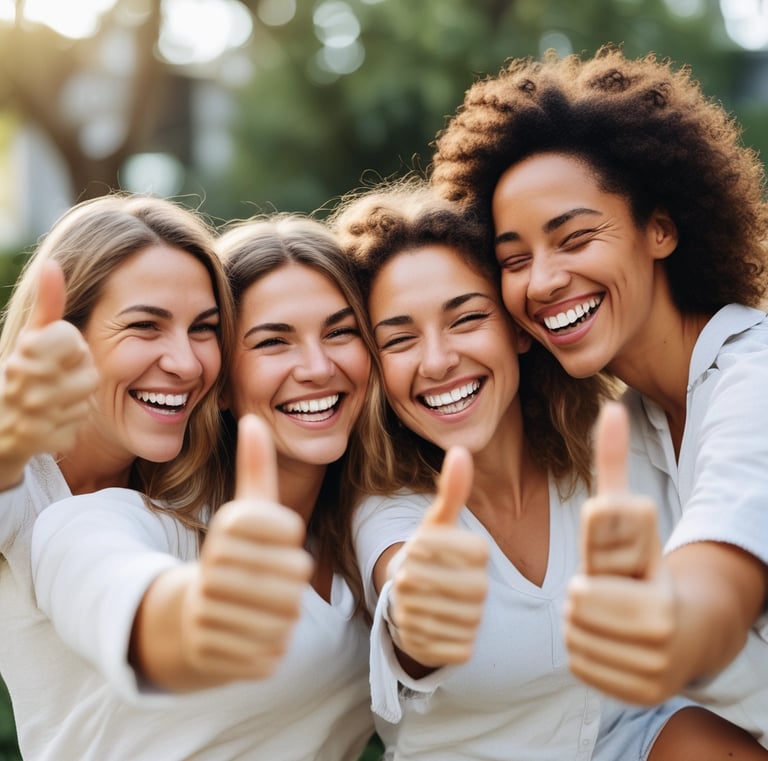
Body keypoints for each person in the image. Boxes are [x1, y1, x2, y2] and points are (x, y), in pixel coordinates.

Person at [330, 178, 768, 760]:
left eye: (465, 319)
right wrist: (422, 612)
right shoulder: (385, 502)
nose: (437, 361)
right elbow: (407, 593)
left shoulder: (612, 450)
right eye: (400, 339)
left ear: (517, 328)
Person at [429, 44, 768, 743]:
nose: (543, 281)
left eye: (574, 238)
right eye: (514, 259)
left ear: (662, 229)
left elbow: (720, 574)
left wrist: (666, 623)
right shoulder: (621, 423)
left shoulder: (753, 376)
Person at [4, 192, 314, 761]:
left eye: (204, 329)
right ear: (67, 336)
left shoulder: (194, 470)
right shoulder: (23, 484)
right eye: (146, 326)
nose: (187, 362)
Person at [206, 213, 380, 758]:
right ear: (220, 384)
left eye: (339, 332)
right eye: (273, 342)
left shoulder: (369, 530)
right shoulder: (163, 526)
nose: (317, 366)